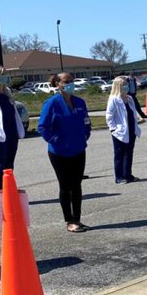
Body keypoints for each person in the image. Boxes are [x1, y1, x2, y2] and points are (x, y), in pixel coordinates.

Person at [37, 72, 92, 233]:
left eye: (71, 81)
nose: (70, 84)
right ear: (57, 84)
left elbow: (86, 121)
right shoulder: (52, 103)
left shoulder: (79, 102)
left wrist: (85, 134)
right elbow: (43, 127)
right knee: (65, 186)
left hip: (78, 149)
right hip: (59, 152)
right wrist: (55, 140)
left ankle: (78, 219)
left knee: (77, 186)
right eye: (66, 82)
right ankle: (69, 220)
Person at [106, 76, 142, 184]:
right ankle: (119, 177)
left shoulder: (129, 98)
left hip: (131, 129)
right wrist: (113, 129)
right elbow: (109, 116)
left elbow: (133, 113)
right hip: (119, 132)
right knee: (119, 154)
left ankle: (128, 175)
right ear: (118, 86)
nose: (126, 86)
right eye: (124, 85)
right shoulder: (114, 99)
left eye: (127, 84)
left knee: (129, 153)